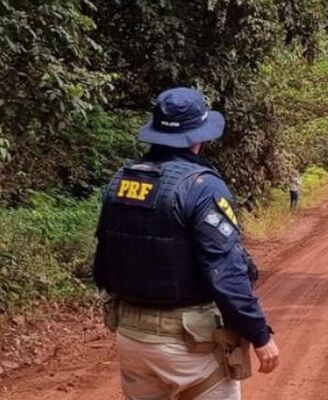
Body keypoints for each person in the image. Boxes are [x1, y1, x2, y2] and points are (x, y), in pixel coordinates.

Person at [93, 87, 280, 400]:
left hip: (132, 340)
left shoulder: (120, 182)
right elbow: (227, 274)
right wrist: (260, 336)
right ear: (199, 137)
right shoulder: (202, 187)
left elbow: (102, 269)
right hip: (189, 347)